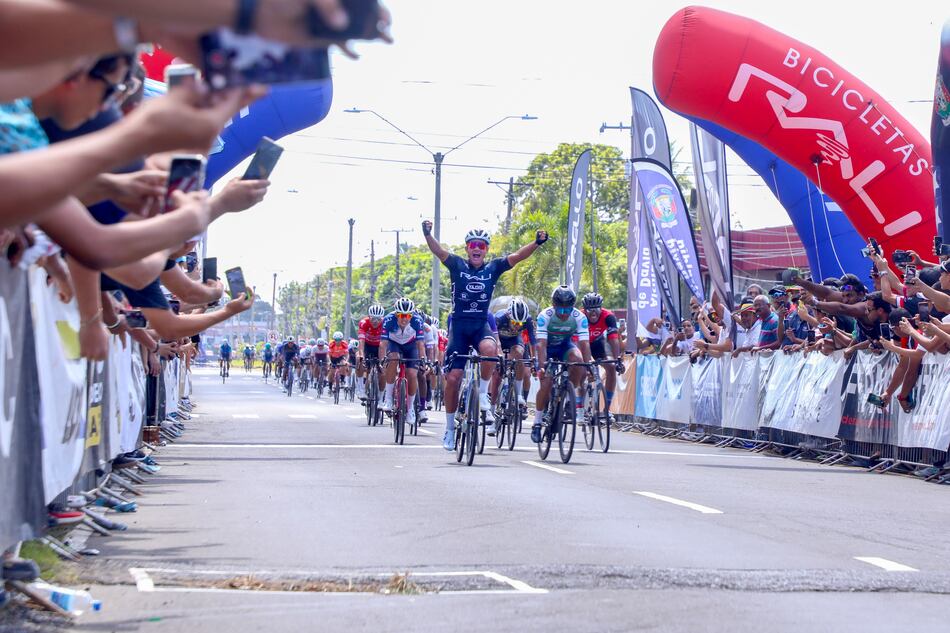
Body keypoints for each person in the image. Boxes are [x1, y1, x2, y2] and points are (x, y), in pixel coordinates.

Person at [421, 220, 548, 449]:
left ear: (486, 249)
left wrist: (537, 243)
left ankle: (482, 395)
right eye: (472, 245)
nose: (477, 248)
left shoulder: (493, 268)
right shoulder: (457, 265)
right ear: (467, 248)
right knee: (453, 379)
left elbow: (518, 256)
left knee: (490, 351)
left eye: (481, 245)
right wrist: (427, 234)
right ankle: (449, 429)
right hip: (459, 327)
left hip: (481, 324)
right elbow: (438, 251)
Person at [531, 286, 591, 443]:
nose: (564, 314)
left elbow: (584, 345)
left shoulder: (579, 317)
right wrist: (542, 367)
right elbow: (541, 345)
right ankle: (537, 423)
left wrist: (588, 365)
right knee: (546, 384)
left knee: (578, 360)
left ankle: (567, 397)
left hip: (565, 346)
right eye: (560, 310)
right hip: (548, 349)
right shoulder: (545, 316)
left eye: (567, 310)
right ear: (553, 305)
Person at [378, 297, 426, 427]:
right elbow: (383, 344)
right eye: (401, 315)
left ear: (412, 315)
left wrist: (423, 361)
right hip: (394, 344)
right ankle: (388, 399)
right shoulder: (388, 319)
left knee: (412, 374)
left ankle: (410, 410)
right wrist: (382, 360)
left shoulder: (417, 320)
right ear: (396, 314)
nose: (404, 318)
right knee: (393, 359)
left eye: (408, 315)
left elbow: (421, 344)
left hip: (411, 346)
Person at [491, 297, 536, 409]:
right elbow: (494, 340)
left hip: (514, 341)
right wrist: (499, 355)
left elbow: (532, 341)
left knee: (519, 356)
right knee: (497, 375)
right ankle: (491, 406)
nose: (517, 326)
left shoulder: (528, 320)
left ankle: (519, 395)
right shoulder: (499, 318)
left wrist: (534, 358)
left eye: (521, 324)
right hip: (498, 341)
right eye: (515, 322)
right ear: (508, 316)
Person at [581, 292, 624, 409]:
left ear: (601, 308)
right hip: (581, 344)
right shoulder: (580, 317)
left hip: (596, 344)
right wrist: (587, 361)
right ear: (585, 310)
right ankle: (577, 403)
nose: (593, 312)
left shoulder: (608, 316)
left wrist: (617, 360)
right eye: (590, 310)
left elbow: (613, 339)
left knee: (611, 369)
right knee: (582, 370)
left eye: (596, 309)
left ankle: (607, 409)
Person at [357, 303, 385, 398]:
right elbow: (361, 341)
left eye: (378, 319)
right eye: (373, 318)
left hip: (380, 347)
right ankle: (360, 389)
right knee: (359, 358)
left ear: (382, 318)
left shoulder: (385, 324)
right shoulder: (364, 323)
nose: (376, 321)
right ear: (369, 317)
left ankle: (381, 397)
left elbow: (386, 343)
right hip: (367, 346)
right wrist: (361, 355)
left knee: (383, 370)